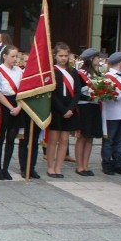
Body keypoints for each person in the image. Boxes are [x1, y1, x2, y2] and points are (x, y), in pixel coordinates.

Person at [46, 42, 81, 178]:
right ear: (55, 56)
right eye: (60, 55)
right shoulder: (52, 71)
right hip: (57, 109)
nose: (63, 58)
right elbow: (52, 93)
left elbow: (77, 92)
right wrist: (62, 110)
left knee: (65, 140)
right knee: (53, 139)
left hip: (70, 109)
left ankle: (58, 167)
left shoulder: (73, 72)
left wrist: (70, 108)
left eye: (66, 55)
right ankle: (50, 167)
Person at [0, 45, 23, 180]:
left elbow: (23, 91)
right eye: (12, 56)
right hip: (4, 105)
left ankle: (6, 168)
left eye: (16, 56)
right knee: (0, 137)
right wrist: (11, 107)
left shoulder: (19, 71)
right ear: (4, 56)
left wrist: (19, 107)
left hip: (17, 104)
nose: (15, 59)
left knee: (11, 138)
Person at [75, 48, 102, 176]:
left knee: (90, 137)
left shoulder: (98, 74)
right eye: (97, 57)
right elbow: (77, 93)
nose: (99, 60)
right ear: (91, 59)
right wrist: (90, 97)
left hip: (94, 107)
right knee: (82, 136)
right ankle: (79, 166)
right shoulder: (80, 74)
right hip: (84, 107)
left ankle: (86, 165)